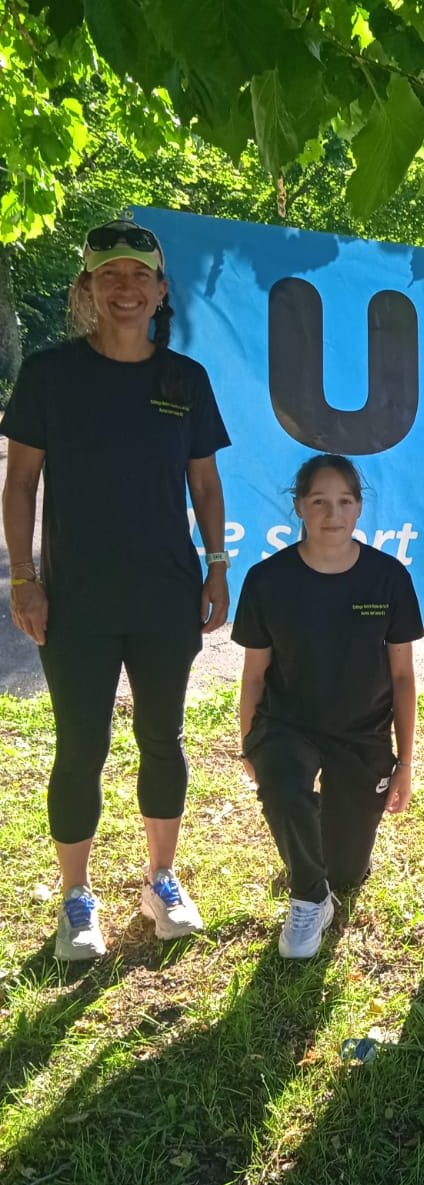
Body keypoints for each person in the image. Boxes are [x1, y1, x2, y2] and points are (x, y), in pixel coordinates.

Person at [1, 217, 230, 960]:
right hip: (76, 597)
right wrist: (25, 578)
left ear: (161, 291)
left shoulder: (184, 380)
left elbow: (204, 480)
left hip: (166, 594)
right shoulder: (49, 373)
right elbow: (21, 482)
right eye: (110, 276)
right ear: (88, 290)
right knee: (81, 747)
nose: (125, 289)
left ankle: (160, 880)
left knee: (163, 740)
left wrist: (218, 565)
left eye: (139, 276)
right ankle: (77, 900)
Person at [232, 455, 422, 958]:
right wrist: (249, 744)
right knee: (284, 783)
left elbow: (403, 678)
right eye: (319, 501)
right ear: (299, 507)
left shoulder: (388, 578)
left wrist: (405, 763)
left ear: (359, 508)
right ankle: (308, 896)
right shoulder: (267, 579)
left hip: (361, 733)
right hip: (288, 724)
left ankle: (323, 867)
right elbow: (254, 676)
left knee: (348, 873)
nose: (331, 514)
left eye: (343, 502)